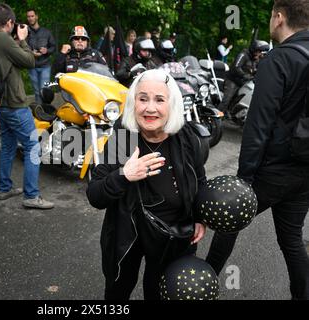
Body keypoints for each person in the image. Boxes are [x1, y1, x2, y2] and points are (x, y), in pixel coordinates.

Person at [206, 0, 309, 300]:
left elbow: (258, 125)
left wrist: (244, 177)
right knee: (291, 240)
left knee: (229, 220)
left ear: (279, 17)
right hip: (305, 170)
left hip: (273, 169)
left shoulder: (279, 59)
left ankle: (202, 285)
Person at [87, 69, 207, 300]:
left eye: (159, 100)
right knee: (117, 292)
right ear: (134, 103)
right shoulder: (123, 137)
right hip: (127, 235)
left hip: (173, 234)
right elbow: (95, 194)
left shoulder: (187, 138)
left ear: (172, 104)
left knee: (160, 292)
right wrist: (124, 174)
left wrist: (200, 216)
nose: (149, 108)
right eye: (143, 99)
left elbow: (199, 180)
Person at [0, 4, 54, 209]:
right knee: (32, 146)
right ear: (9, 22)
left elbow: (11, 62)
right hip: (13, 103)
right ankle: (31, 195)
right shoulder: (1, 38)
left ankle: (4, 188)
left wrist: (16, 42)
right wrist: (24, 40)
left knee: (8, 145)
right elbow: (29, 61)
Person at [217, 39, 270, 115]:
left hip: (243, 82)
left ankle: (230, 114)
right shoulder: (243, 54)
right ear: (254, 49)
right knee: (227, 100)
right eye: (259, 51)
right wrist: (246, 76)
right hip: (233, 80)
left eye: (261, 52)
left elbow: (255, 70)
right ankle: (216, 117)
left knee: (238, 100)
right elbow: (236, 67)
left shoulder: (255, 59)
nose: (260, 53)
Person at [26, 9, 56, 104]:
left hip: (45, 66)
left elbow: (53, 47)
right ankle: (40, 112)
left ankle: (46, 111)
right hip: (32, 66)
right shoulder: (25, 33)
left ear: (36, 17)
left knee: (45, 91)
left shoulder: (46, 32)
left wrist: (47, 50)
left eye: (32, 16)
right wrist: (31, 52)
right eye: (28, 16)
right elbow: (22, 47)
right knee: (36, 92)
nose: (30, 18)